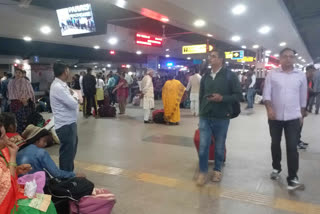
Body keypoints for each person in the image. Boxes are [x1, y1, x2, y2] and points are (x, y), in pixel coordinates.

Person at [263, 48, 307, 191]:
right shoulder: (272, 74)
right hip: (274, 117)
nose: (288, 59)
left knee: (292, 147)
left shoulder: (300, 75)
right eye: (285, 56)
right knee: (275, 143)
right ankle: (276, 168)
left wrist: (301, 115)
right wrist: (269, 109)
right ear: (280, 59)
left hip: (293, 117)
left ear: (294, 59)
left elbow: (302, 97)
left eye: (291, 57)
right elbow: (267, 94)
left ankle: (293, 178)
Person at [197, 49, 241, 186]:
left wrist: (222, 98)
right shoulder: (205, 76)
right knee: (203, 146)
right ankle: (203, 171)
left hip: (222, 117)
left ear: (221, 59)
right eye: (210, 56)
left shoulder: (230, 76)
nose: (210, 59)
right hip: (205, 116)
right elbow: (201, 96)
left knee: (219, 146)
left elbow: (238, 95)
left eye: (214, 56)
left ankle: (217, 170)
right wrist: (200, 112)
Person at [0, 120, 57, 214]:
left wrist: (17, 170)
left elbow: (5, 176)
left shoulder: (4, 150)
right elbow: (7, 186)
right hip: (6, 202)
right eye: (2, 137)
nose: (7, 139)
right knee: (41, 206)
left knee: (46, 203)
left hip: (13, 192)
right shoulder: (40, 152)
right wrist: (13, 157)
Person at [17, 124, 85, 179]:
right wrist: (74, 175)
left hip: (20, 184)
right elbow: (56, 173)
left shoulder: (19, 152)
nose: (45, 144)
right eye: (44, 141)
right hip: (36, 186)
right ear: (36, 139)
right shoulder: (41, 152)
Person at [50, 62, 79, 172]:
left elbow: (73, 96)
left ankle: (68, 174)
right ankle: (66, 178)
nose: (69, 73)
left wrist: (74, 96)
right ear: (64, 72)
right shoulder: (58, 87)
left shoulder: (62, 84)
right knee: (67, 153)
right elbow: (73, 103)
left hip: (70, 122)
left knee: (70, 151)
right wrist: (76, 98)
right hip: (65, 125)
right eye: (68, 70)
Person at [298, 66, 316, 150]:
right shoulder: (302, 79)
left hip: (304, 104)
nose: (313, 73)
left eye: (314, 72)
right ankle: (296, 142)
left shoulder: (310, 80)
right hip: (298, 105)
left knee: (301, 124)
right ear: (307, 71)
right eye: (311, 71)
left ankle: (298, 140)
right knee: (298, 124)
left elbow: (309, 93)